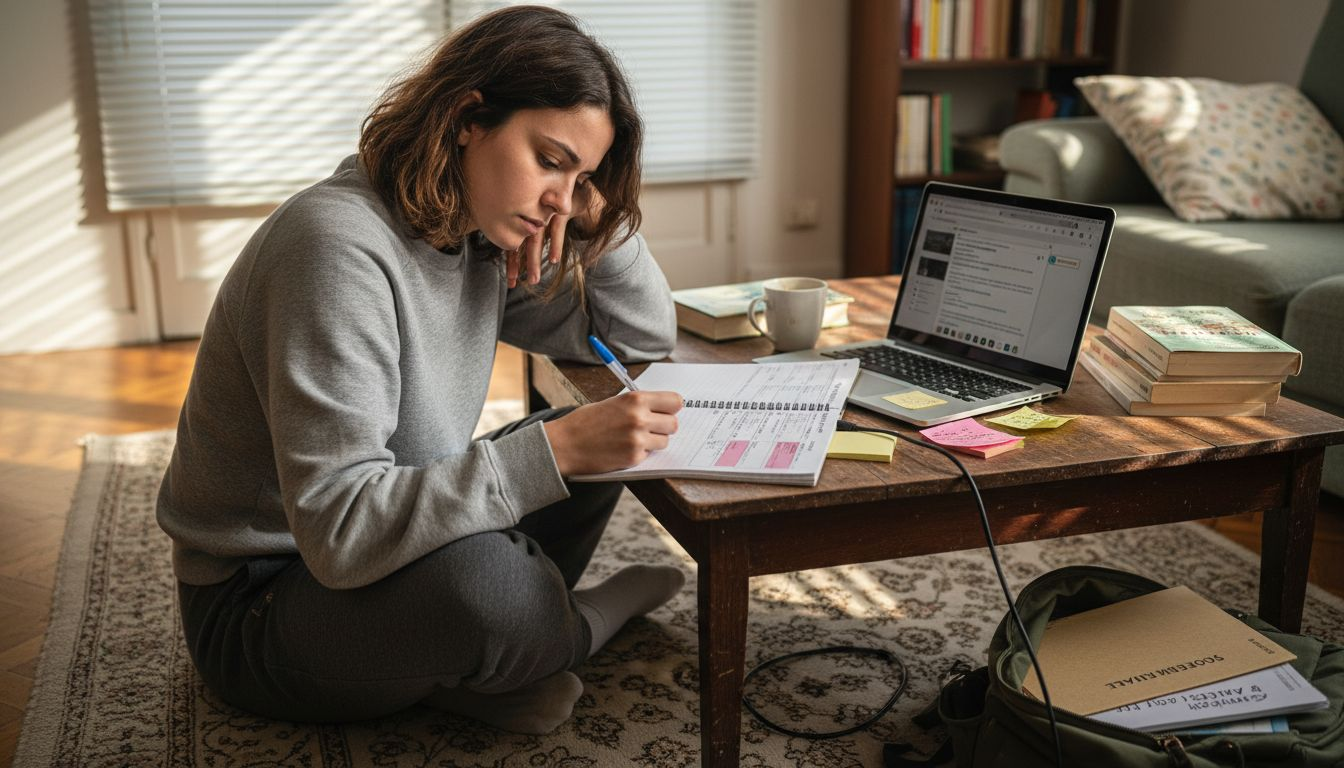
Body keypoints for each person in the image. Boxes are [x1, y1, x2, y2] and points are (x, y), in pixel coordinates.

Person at [156, 5, 686, 735]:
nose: (560, 199)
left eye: (582, 175)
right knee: (496, 580)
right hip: (266, 602)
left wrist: (600, 224)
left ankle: (473, 661)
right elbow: (339, 533)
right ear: (469, 117)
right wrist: (554, 454)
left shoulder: (463, 235)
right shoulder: (335, 250)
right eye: (550, 160)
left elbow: (639, 337)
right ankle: (578, 625)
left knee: (596, 439)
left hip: (390, 554)